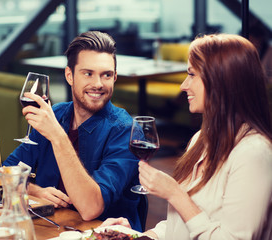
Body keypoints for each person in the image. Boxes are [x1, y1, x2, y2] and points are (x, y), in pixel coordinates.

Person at [100, 33, 272, 239]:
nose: (183, 85)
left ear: (219, 81)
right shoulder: (201, 139)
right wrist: (138, 236)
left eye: (191, 75)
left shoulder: (253, 154)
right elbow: (180, 224)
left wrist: (175, 194)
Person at [3, 31, 142, 231]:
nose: (98, 84)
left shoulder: (126, 131)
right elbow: (4, 173)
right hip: (48, 228)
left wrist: (57, 136)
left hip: (98, 234)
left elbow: (90, 208)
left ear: (115, 77)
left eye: (107, 75)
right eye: (88, 73)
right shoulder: (56, 114)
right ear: (70, 75)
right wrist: (33, 190)